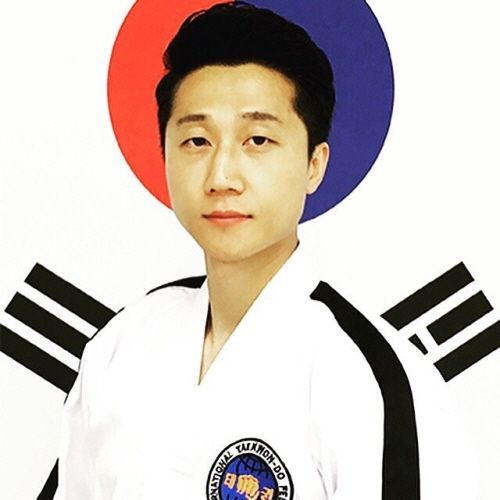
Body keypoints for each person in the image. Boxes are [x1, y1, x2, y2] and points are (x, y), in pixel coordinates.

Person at [56, 2, 478, 499]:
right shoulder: (122, 344)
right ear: (164, 155)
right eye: (196, 141)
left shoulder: (367, 376)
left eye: (257, 139)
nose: (222, 176)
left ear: (314, 164)